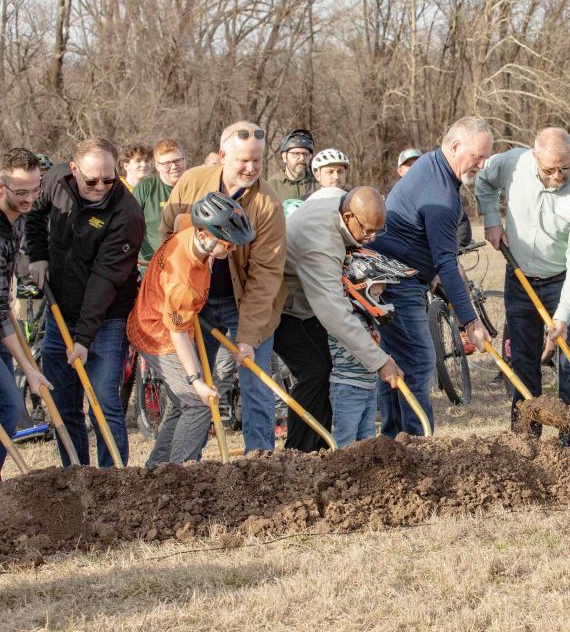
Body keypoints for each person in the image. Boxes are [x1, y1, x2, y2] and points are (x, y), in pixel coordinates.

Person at [160, 121, 286, 453]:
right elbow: (167, 239)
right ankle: (185, 464)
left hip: (244, 300)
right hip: (196, 300)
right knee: (194, 387)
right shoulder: (191, 182)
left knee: (255, 381)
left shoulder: (267, 203)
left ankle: (259, 461)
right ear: (221, 155)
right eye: (243, 160)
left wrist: (246, 338)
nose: (251, 168)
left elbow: (266, 275)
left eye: (257, 160)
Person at [371, 117, 491, 436]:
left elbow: (432, 254)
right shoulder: (441, 196)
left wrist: (433, 272)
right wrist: (471, 323)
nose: (481, 164)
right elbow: (447, 263)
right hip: (399, 281)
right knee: (420, 361)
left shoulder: (431, 164)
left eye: (485, 157)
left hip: (395, 273)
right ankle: (418, 445)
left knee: (396, 360)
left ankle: (394, 439)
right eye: (476, 156)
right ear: (454, 147)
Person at [27, 137, 144, 466]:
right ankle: (76, 476)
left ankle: (111, 481)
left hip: (106, 318)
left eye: (109, 179)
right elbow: (35, 213)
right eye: (92, 180)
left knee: (103, 402)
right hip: (59, 310)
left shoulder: (127, 213)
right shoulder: (56, 180)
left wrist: (82, 340)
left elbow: (103, 282)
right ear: (74, 169)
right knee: (64, 403)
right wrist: (37, 256)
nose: (101, 186)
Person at [475, 128, 570, 439]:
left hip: (562, 281)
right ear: (534, 157)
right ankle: (525, 438)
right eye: (550, 169)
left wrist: (563, 315)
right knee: (523, 360)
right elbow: (483, 182)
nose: (558, 176)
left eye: (565, 168)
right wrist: (492, 218)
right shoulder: (512, 164)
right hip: (519, 277)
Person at [128, 193, 254, 465]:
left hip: (168, 319)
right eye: (229, 246)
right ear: (206, 236)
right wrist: (196, 380)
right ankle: (180, 475)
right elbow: (177, 334)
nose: (232, 251)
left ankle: (157, 469)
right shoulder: (183, 281)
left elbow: (181, 218)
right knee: (198, 403)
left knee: (181, 405)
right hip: (157, 333)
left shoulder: (188, 226)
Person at [279, 184, 403, 450]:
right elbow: (334, 312)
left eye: (377, 230)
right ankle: (300, 453)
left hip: (306, 301)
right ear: (348, 217)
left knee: (325, 369)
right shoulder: (319, 245)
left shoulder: (339, 198)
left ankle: (321, 447)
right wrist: (379, 361)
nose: (371, 237)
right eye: (367, 230)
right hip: (281, 306)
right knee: (314, 372)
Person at [0, 149, 51, 477]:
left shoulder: (17, 218)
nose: (30, 198)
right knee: (10, 405)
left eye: (36, 189)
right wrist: (29, 370)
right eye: (21, 192)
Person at [133, 139, 188, 266]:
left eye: (177, 161)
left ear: (184, 160)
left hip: (185, 265)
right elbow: (128, 224)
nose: (174, 167)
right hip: (150, 265)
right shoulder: (145, 188)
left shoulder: (195, 186)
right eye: (167, 163)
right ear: (157, 166)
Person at [268, 128, 317, 202]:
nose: (302, 158)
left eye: (306, 154)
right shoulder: (271, 186)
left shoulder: (319, 183)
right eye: (296, 154)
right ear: (284, 157)